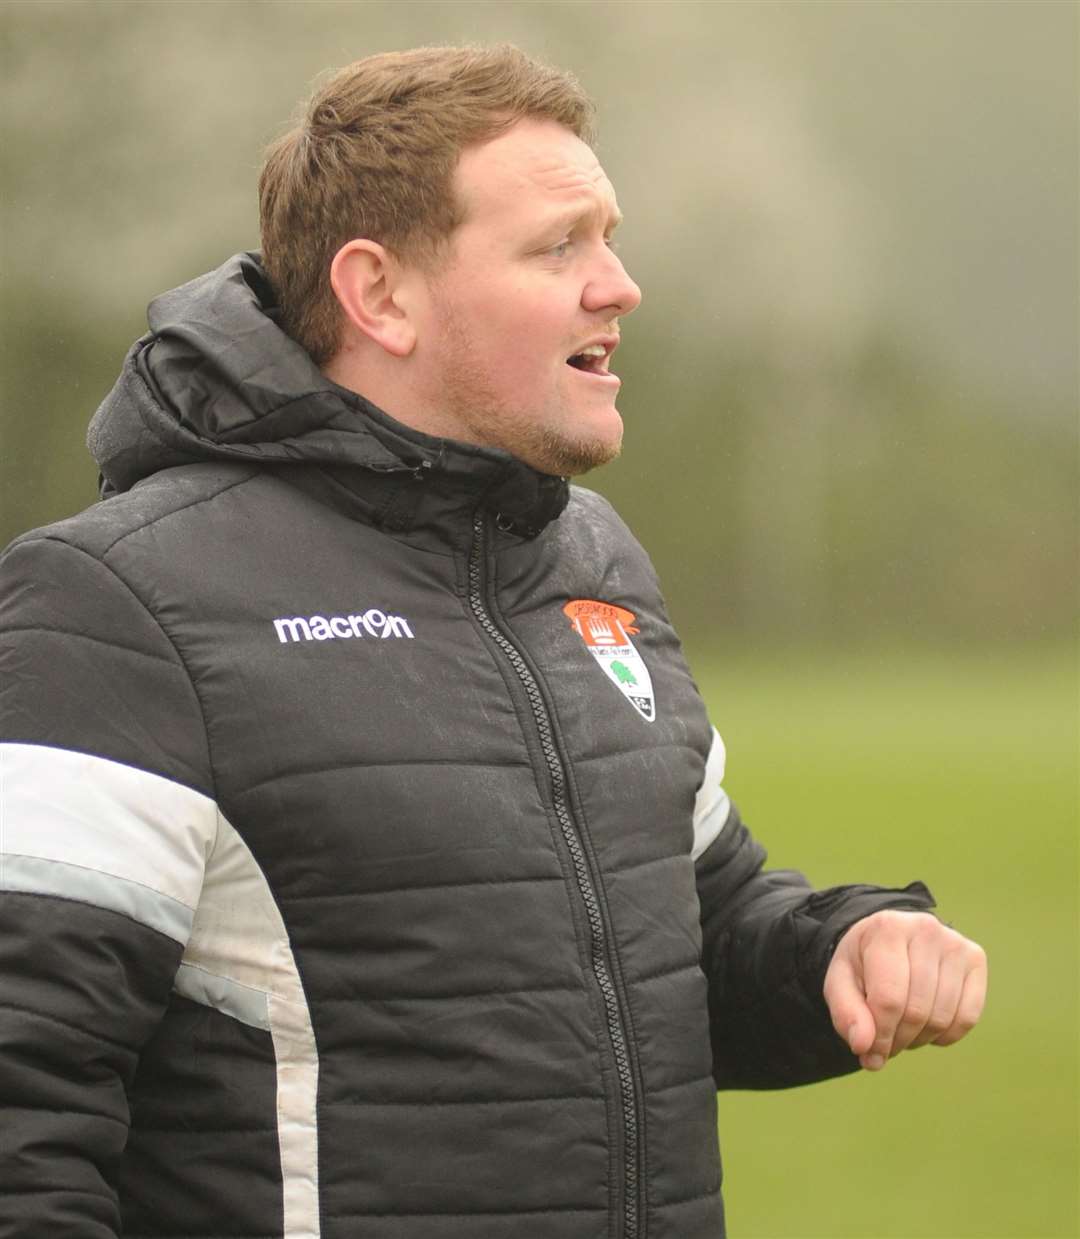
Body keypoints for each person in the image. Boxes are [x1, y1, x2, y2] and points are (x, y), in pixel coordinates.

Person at [0, 43, 986, 1239]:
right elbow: (24, 1110)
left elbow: (691, 932)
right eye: (557, 245)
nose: (618, 284)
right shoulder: (117, 604)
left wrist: (844, 949)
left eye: (610, 237)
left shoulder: (593, 561)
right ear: (380, 295)